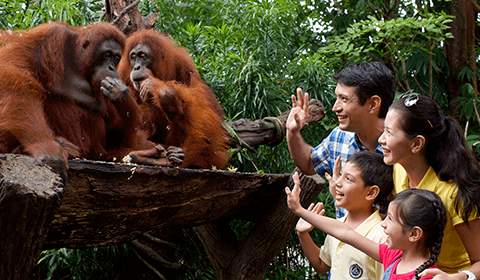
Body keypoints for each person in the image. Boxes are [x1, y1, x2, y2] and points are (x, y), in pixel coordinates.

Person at [378, 93, 480, 278]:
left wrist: (458, 277)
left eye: (389, 133)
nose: (381, 139)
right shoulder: (399, 170)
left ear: (416, 143)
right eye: (384, 130)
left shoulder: (453, 193)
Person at [286, 61, 395, 218]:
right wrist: (292, 132)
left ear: (373, 104)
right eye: (337, 98)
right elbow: (309, 164)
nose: (335, 107)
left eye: (344, 99)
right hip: (344, 241)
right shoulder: (339, 136)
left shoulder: (404, 146)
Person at [287, 174, 448, 280]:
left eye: (390, 219)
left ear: (414, 234)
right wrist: (299, 210)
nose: (383, 223)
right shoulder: (393, 256)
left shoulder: (427, 276)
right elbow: (345, 232)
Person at [295, 151, 393, 279]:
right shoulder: (337, 225)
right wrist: (302, 234)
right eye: (340, 175)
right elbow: (321, 265)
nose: (337, 183)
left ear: (371, 193)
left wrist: (297, 208)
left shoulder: (381, 236)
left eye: (348, 179)